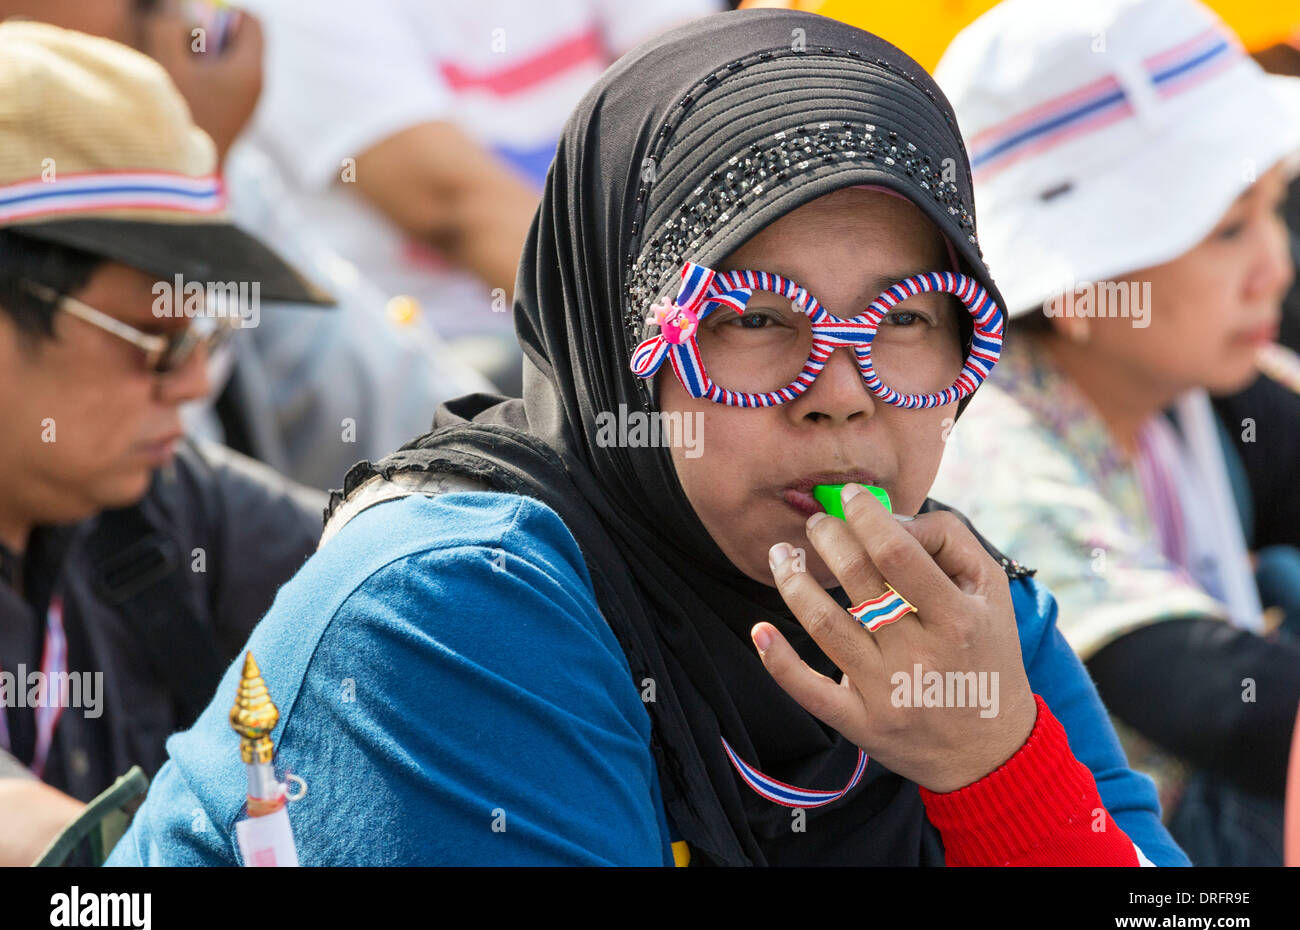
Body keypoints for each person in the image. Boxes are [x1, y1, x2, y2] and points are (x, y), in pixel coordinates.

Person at [108, 9, 1187, 866]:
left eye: (906, 318)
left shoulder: (961, 613)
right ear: (621, 340)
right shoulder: (449, 609)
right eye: (754, 317)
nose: (842, 394)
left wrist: (995, 767)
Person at [929, 0, 1300, 864]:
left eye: (1276, 208)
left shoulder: (1198, 391)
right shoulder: (991, 460)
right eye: (1228, 229)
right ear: (1084, 285)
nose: (1275, 268)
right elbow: (1230, 704)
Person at [0, 21, 329, 864]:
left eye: (204, 335)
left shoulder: (167, 502)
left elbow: (399, 575)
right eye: (156, 338)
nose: (192, 383)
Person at [0, 0, 498, 491]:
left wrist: (183, 164)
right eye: (155, 339)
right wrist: (180, 184)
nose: (174, 12)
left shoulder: (216, 156)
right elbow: (157, 509)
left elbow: (405, 409)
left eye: (197, 339)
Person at [231, 0, 722, 396]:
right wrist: (692, 335)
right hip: (452, 354)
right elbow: (459, 211)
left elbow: (698, 100)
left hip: (639, 302)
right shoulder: (295, 13)